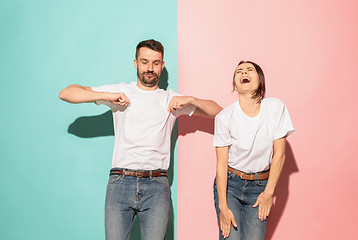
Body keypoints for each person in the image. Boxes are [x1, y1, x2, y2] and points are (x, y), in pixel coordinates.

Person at [59, 39, 222, 240]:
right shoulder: (120, 92)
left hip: (157, 184)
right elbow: (66, 93)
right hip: (120, 181)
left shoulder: (170, 99)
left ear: (162, 65)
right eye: (144, 62)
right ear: (135, 63)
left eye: (155, 63)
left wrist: (191, 100)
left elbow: (219, 112)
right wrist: (107, 96)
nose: (150, 68)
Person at [213, 60, 294, 239]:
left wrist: (269, 193)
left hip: (260, 187)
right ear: (235, 83)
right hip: (231, 185)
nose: (244, 73)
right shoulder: (224, 117)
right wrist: (223, 207)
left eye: (250, 70)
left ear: (260, 80)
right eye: (239, 71)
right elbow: (221, 164)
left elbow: (280, 154)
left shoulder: (275, 108)